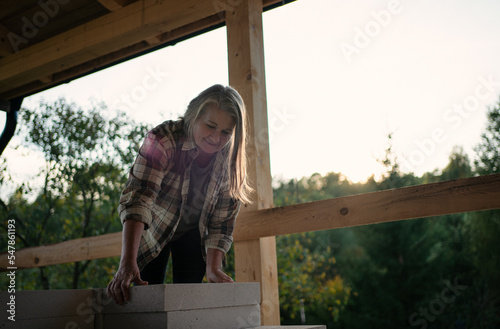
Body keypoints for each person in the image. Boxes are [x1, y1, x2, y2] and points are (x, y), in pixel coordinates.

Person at [107, 84, 252, 305]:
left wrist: (213, 269)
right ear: (193, 116)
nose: (216, 138)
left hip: (194, 233)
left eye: (225, 132)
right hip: (153, 228)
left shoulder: (231, 160)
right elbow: (139, 198)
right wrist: (127, 262)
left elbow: (221, 223)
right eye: (210, 126)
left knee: (188, 301)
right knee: (147, 297)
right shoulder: (162, 139)